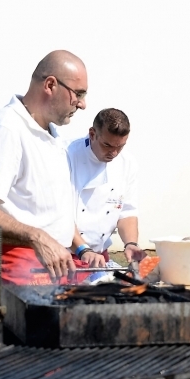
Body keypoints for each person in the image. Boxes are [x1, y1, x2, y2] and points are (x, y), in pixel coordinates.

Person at [0, 50, 88, 317]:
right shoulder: (6, 128)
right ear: (51, 85)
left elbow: (50, 210)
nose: (82, 104)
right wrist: (37, 236)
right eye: (78, 93)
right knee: (10, 358)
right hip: (16, 271)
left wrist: (80, 246)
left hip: (55, 269)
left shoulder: (52, 136)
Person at [68, 108, 145, 266]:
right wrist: (83, 250)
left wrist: (131, 243)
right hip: (67, 255)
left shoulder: (127, 163)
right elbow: (60, 215)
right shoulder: (68, 156)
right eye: (107, 145)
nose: (114, 153)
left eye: (120, 146)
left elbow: (127, 211)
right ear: (92, 134)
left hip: (99, 256)